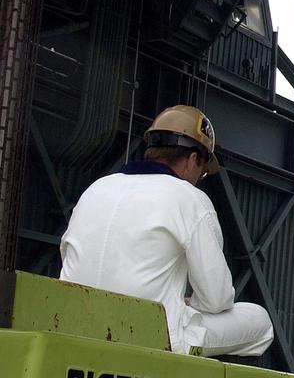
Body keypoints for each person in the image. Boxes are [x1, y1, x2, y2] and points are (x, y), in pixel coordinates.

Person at [60, 105, 274, 357]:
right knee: (260, 322)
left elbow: (69, 255)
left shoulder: (96, 189)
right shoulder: (190, 198)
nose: (198, 177)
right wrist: (186, 304)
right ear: (193, 159)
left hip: (72, 320)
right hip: (149, 333)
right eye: (202, 171)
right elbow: (217, 299)